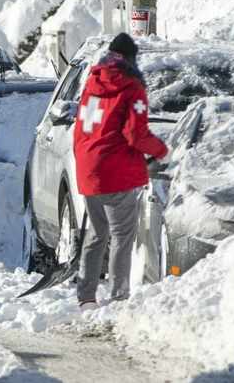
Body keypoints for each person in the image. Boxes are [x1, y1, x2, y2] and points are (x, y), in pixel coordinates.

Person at [72, 33, 168, 310]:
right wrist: (162, 151)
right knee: (122, 235)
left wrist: (85, 162)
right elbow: (135, 134)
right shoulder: (132, 88)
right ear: (130, 58)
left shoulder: (91, 83)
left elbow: (82, 129)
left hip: (89, 168)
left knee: (96, 232)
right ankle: (118, 296)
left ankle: (86, 296)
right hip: (116, 171)